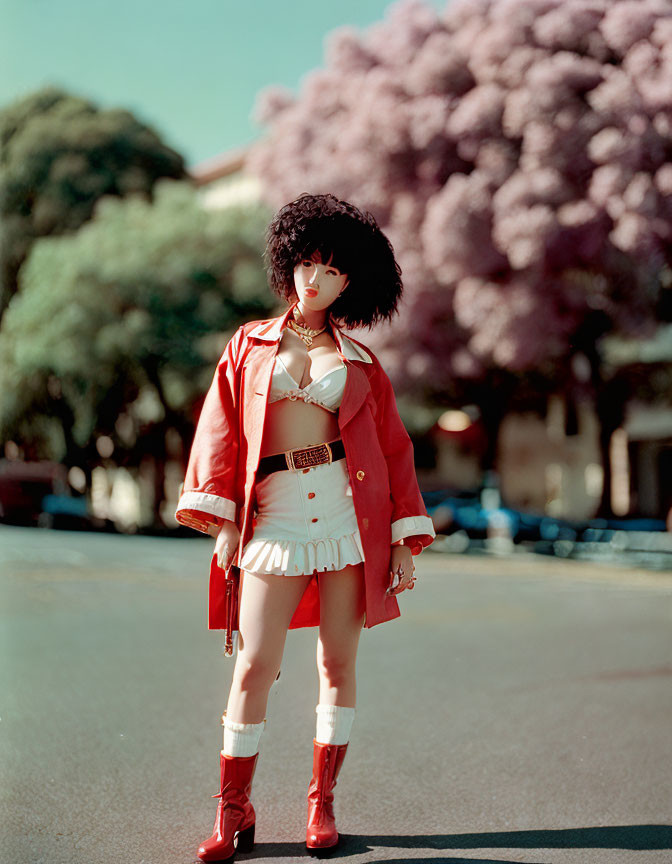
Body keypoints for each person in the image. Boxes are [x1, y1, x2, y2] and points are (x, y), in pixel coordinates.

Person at [175, 192, 436, 862]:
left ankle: (322, 803)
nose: (315, 280)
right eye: (308, 263)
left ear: (355, 283)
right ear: (288, 261)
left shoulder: (363, 363)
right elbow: (220, 432)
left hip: (348, 517)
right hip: (276, 515)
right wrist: (226, 524)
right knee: (255, 664)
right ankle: (233, 810)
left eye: (334, 271)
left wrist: (403, 539)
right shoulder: (247, 346)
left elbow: (394, 451)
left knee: (337, 661)